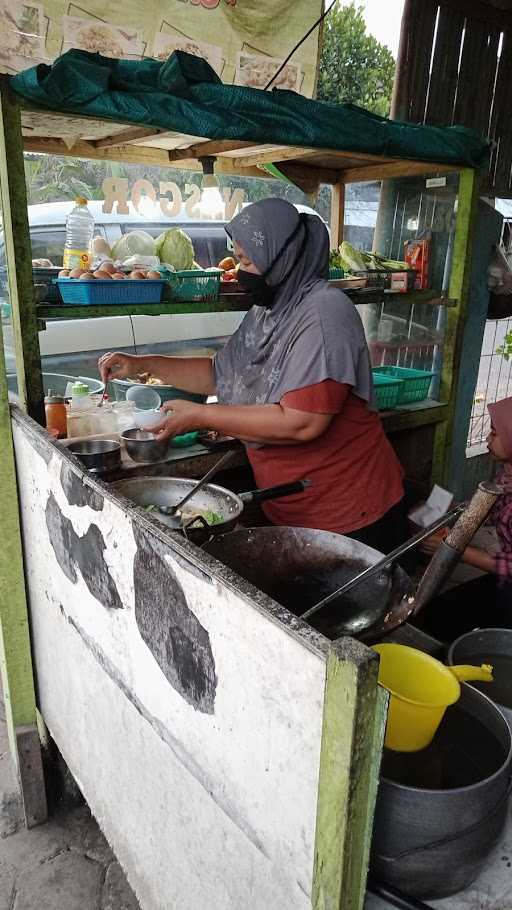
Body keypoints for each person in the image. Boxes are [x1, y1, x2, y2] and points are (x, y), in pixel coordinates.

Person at [99, 198, 405, 549]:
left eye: (246, 261)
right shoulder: (273, 308)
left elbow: (302, 422)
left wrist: (201, 415)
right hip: (293, 506)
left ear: (281, 256)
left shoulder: (325, 314)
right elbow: (219, 374)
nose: (241, 271)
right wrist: (142, 364)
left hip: (350, 513)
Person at [418, 395, 512, 641]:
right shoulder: (508, 474)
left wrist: (454, 548)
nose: (487, 439)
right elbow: (492, 507)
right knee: (438, 614)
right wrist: (457, 508)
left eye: (494, 433)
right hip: (502, 580)